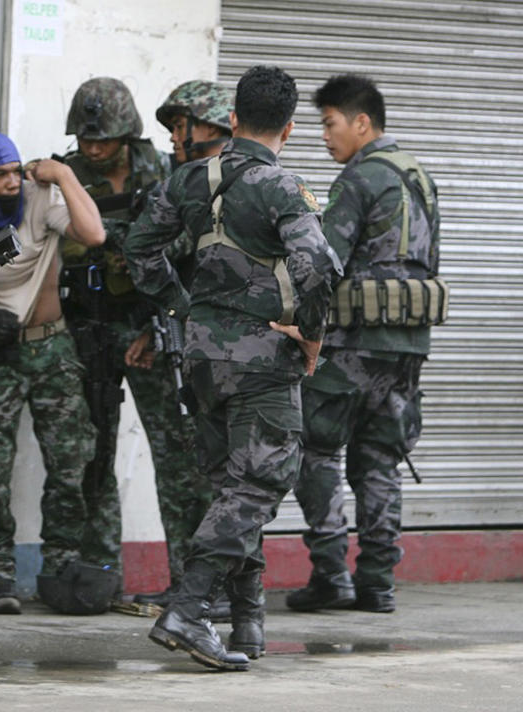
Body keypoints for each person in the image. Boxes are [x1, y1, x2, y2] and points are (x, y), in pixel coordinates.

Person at [123, 65, 342, 671]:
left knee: (229, 485)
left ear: (236, 119)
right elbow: (319, 268)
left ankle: (247, 625)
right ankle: (191, 610)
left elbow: (138, 248)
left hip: (200, 358)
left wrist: (181, 306)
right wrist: (313, 334)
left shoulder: (190, 178)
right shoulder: (283, 187)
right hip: (264, 360)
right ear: (291, 129)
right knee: (260, 483)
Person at [287, 73, 444, 615]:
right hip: (407, 344)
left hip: (354, 343)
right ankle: (377, 582)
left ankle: (331, 574)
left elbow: (322, 262)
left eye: (330, 124)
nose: (325, 136)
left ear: (361, 122)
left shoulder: (359, 179)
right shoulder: (420, 176)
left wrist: (301, 326)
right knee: (380, 459)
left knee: (315, 444)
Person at [57, 77, 204, 594]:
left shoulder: (165, 173)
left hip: (150, 329)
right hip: (87, 329)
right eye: (85, 140)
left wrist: (154, 324)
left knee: (176, 458)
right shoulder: (66, 176)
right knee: (92, 455)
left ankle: (189, 579)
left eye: (103, 140)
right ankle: (100, 576)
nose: (93, 149)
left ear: (128, 134)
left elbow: (187, 255)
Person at [0, 130, 104, 614]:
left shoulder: (41, 197)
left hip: (52, 347)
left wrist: (62, 175)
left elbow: (94, 233)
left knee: (69, 460)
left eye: (16, 170)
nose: (12, 181)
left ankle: (60, 568)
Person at [130, 79, 235, 611]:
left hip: (218, 349)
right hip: (185, 341)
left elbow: (157, 249)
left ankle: (212, 588)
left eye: (180, 125)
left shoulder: (220, 184)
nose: (172, 136)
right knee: (180, 468)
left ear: (211, 126)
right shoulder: (187, 180)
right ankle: (191, 583)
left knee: (209, 470)